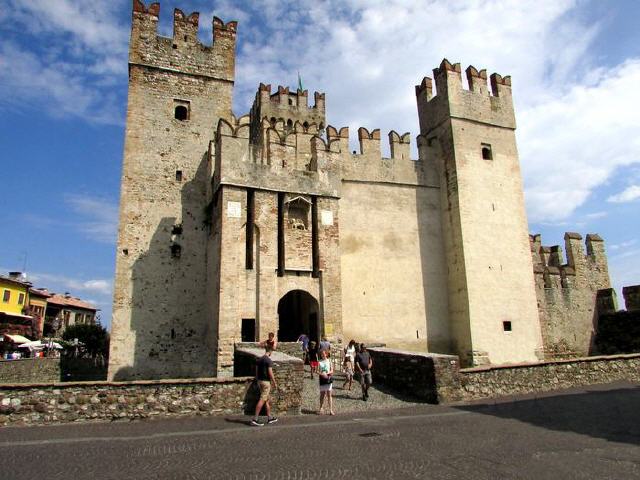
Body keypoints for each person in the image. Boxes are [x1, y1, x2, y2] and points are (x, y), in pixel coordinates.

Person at [251, 345, 278, 426]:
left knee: (266, 399)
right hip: (266, 382)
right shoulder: (268, 361)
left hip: (260, 381)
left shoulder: (259, 360)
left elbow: (256, 372)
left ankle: (269, 418)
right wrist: (274, 382)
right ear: (270, 351)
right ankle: (255, 419)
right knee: (262, 399)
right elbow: (270, 373)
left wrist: (257, 380)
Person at [318, 349, 335, 415]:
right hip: (322, 378)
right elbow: (317, 371)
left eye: (323, 354)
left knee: (329, 394)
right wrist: (321, 374)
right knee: (322, 394)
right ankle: (321, 408)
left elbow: (332, 370)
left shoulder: (329, 361)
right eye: (321, 354)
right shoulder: (319, 362)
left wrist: (328, 373)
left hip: (328, 378)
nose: (322, 355)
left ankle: (330, 410)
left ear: (326, 354)